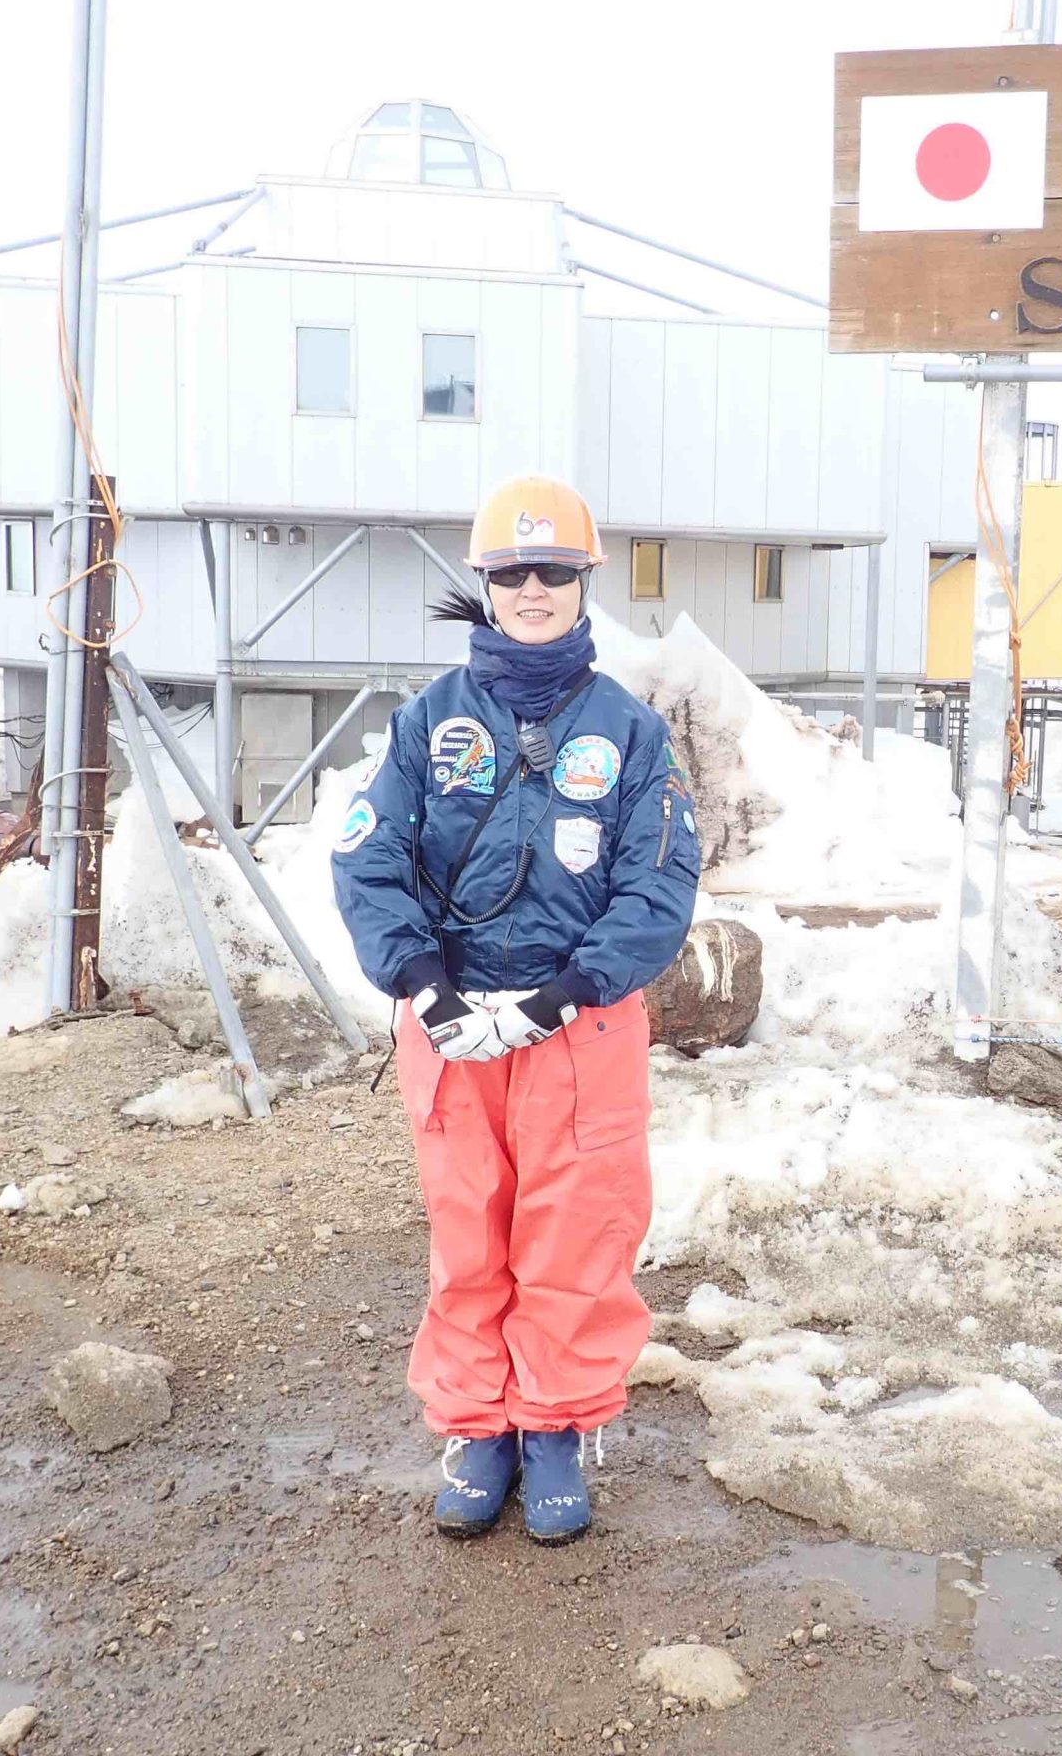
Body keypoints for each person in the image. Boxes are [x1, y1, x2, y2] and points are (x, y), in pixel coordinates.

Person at [331, 475, 697, 1545]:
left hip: (578, 1029)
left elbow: (660, 879)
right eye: (510, 572)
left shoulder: (629, 734)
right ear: (483, 585)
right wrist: (424, 988)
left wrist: (565, 992)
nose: (532, 590)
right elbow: (369, 861)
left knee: (575, 1231)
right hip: (451, 1030)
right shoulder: (425, 724)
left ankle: (555, 1425)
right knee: (468, 1230)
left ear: (583, 583)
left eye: (554, 572)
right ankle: (477, 1424)